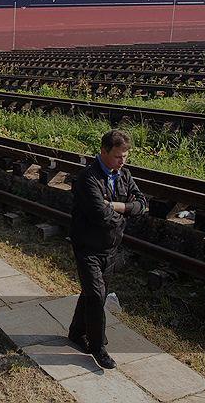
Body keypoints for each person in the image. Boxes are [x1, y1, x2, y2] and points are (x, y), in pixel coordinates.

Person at [68, 129, 147, 369]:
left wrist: (116, 206)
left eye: (125, 156)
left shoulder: (124, 175)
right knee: (96, 295)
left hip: (110, 248)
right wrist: (124, 215)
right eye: (118, 156)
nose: (122, 161)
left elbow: (142, 205)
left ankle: (76, 331)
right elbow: (100, 216)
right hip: (88, 247)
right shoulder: (88, 178)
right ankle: (97, 347)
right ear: (103, 151)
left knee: (93, 293)